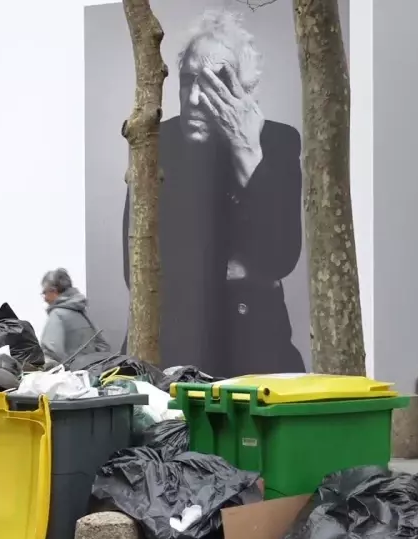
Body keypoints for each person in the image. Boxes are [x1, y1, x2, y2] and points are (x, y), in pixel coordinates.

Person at [121, 9, 304, 377]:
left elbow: (280, 257)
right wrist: (238, 269)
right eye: (189, 82)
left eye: (218, 83)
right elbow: (137, 267)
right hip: (171, 347)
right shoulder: (159, 143)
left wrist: (248, 155)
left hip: (256, 348)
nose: (195, 102)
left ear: (247, 90)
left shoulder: (276, 141)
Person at [40, 268, 109, 365]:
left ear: (53, 291)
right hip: (91, 374)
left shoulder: (57, 315)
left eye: (44, 293)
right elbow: (103, 346)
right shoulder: (83, 313)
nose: (45, 298)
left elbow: (51, 352)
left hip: (70, 377)